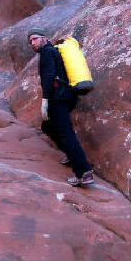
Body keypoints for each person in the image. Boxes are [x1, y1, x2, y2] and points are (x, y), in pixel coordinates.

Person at [27, 28, 94, 186]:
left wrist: (45, 100)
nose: (33, 43)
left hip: (58, 97)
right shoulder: (54, 52)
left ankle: (84, 173)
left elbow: (49, 76)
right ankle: (72, 156)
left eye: (35, 39)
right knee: (48, 126)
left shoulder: (47, 52)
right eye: (30, 41)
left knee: (65, 133)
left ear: (45, 38)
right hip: (67, 96)